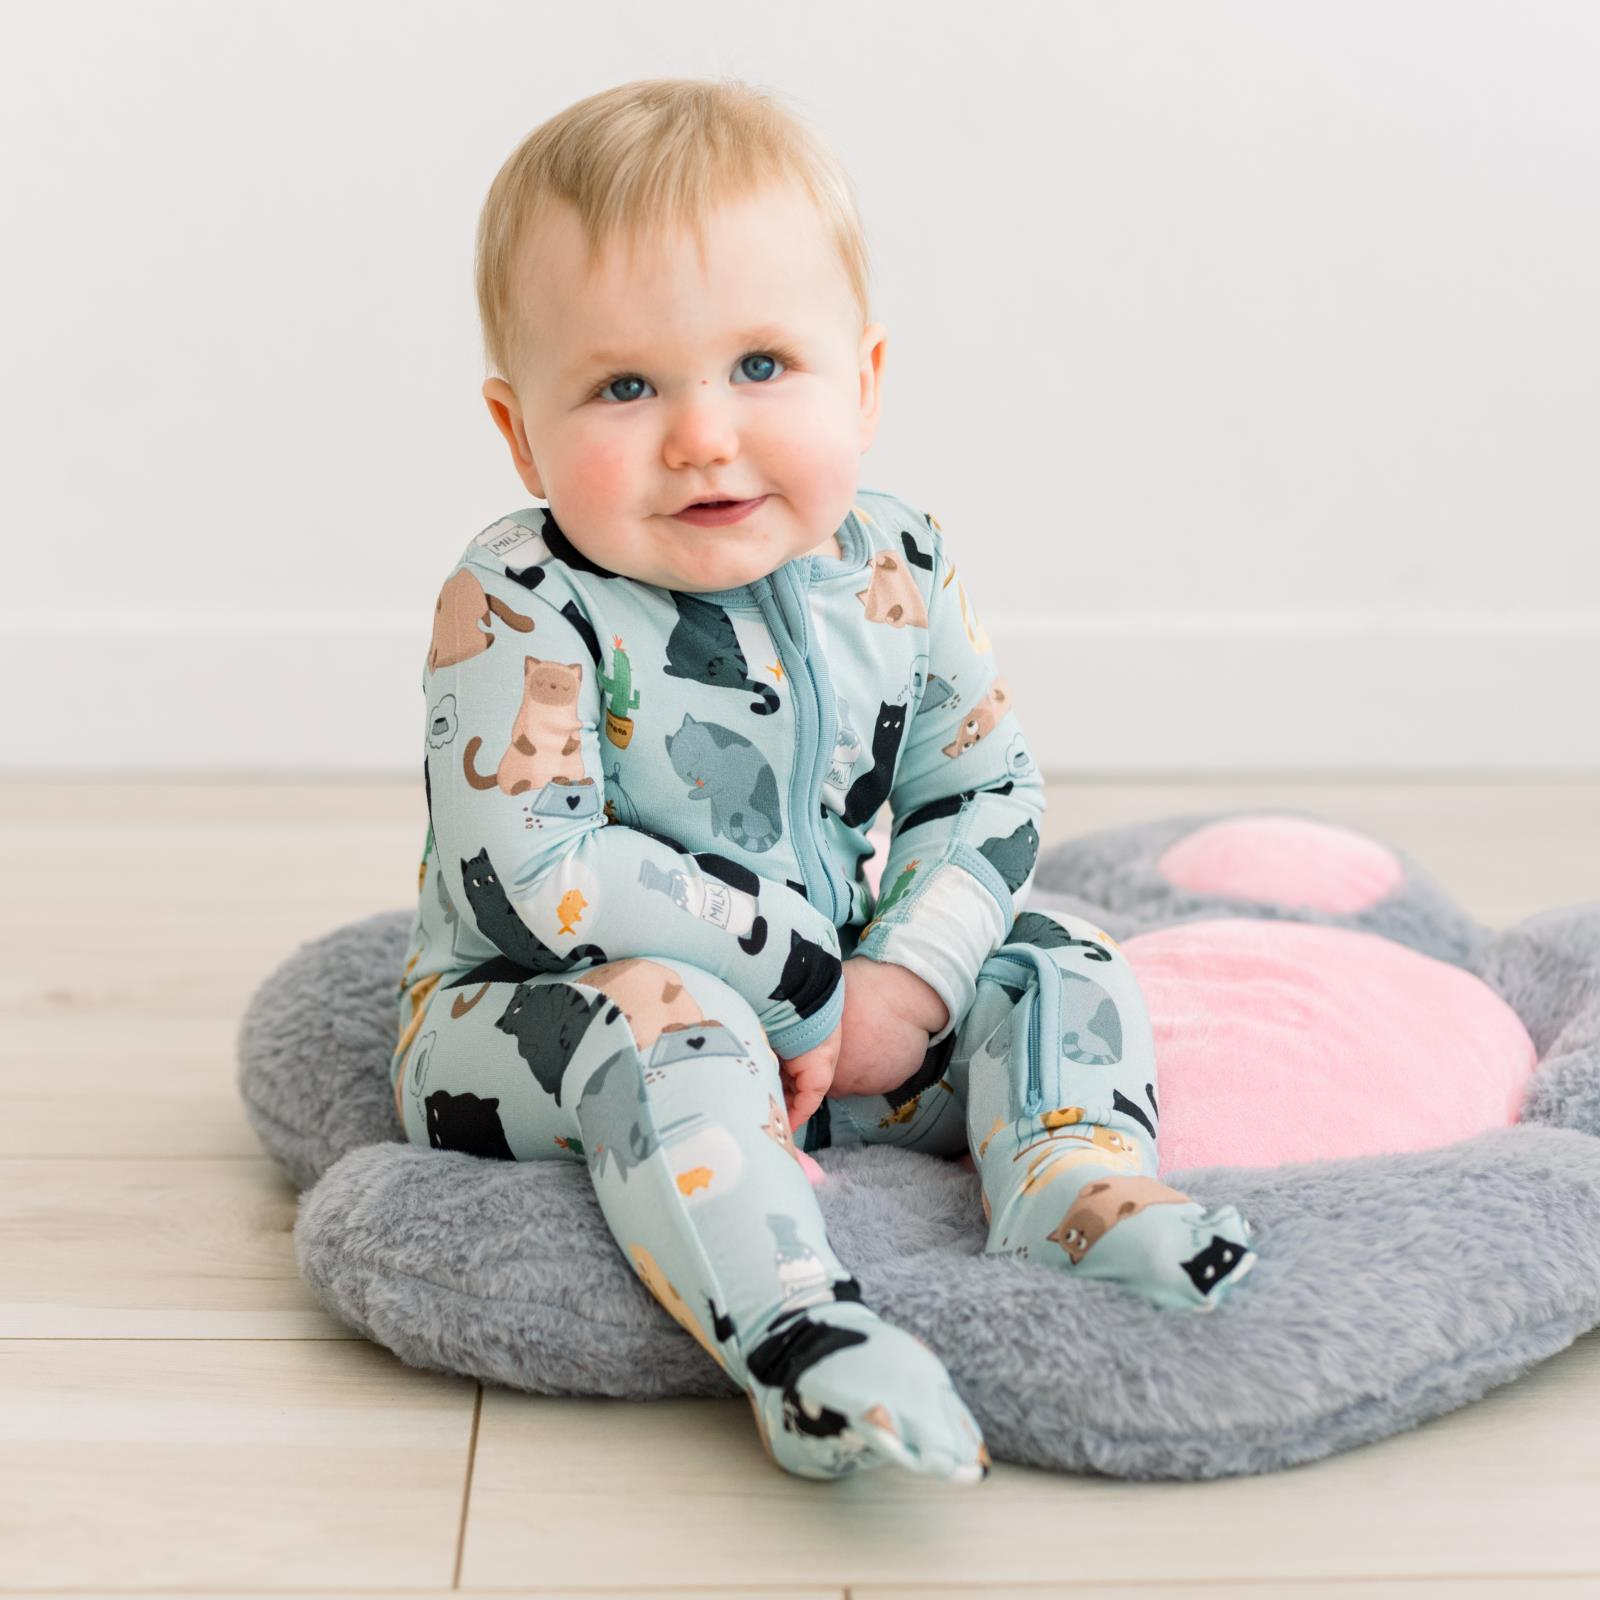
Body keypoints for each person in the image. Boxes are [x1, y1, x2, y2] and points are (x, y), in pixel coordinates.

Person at [393, 76, 1255, 1485]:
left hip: (845, 1019)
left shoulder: (896, 566)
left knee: (1056, 951)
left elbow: (982, 794)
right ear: (519, 431)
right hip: (538, 1028)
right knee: (671, 1027)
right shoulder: (519, 602)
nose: (701, 434)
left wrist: (901, 987)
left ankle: (1072, 1180)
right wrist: (804, 984)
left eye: (760, 366)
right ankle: (801, 1335)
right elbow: (537, 871)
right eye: (625, 386)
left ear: (862, 379)